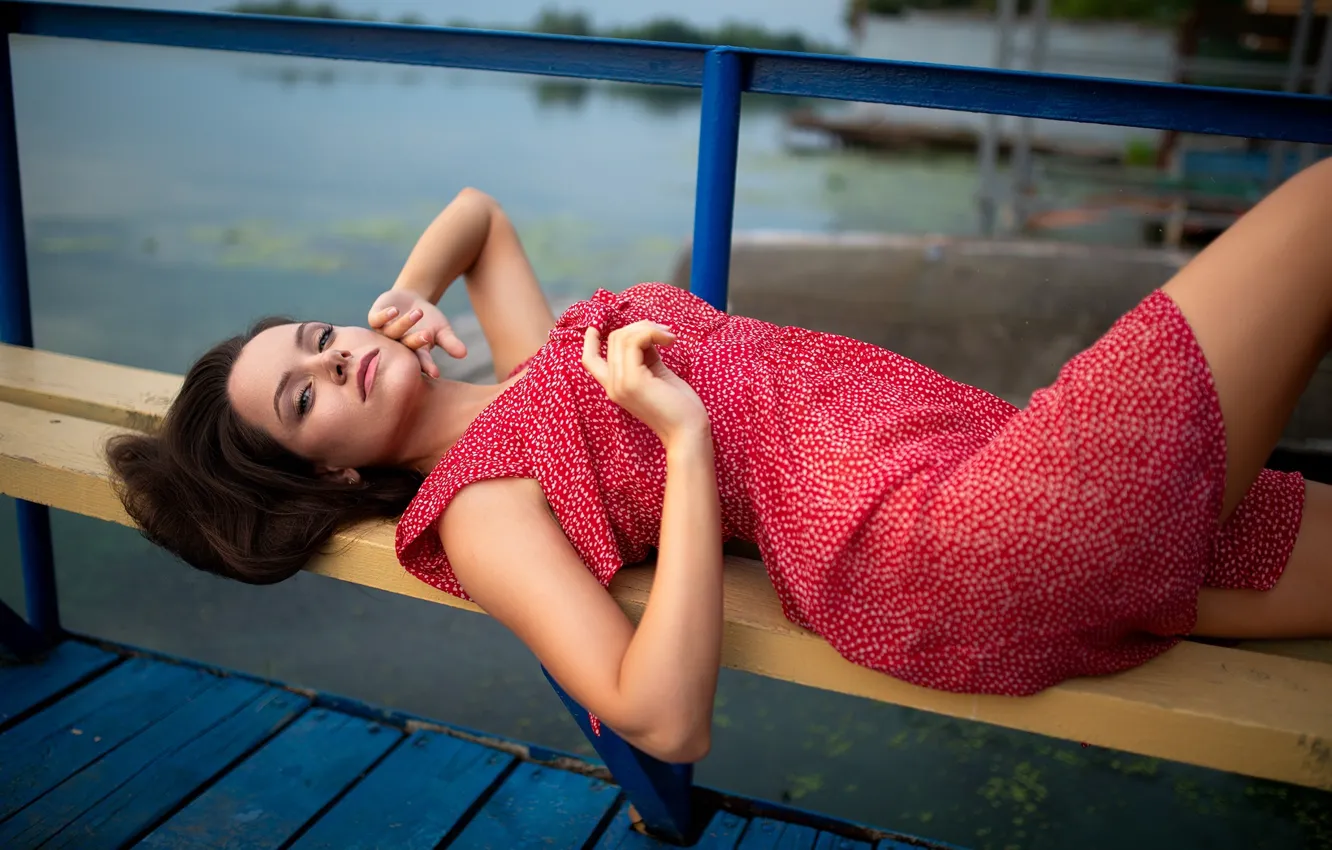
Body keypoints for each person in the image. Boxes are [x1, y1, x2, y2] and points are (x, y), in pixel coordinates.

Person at [108, 164, 1332, 764]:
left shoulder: (543, 370)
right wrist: (685, 440)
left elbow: (481, 211)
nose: (339, 365)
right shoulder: (481, 506)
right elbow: (657, 716)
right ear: (322, 477)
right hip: (955, 533)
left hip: (980, 452)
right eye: (306, 398)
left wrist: (408, 291)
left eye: (322, 341)